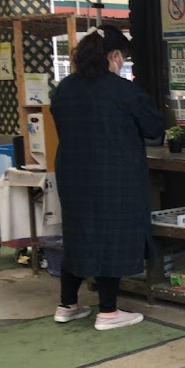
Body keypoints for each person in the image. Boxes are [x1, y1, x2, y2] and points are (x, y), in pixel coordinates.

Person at [49, 25, 164, 330]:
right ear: (114, 56)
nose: (122, 63)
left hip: (73, 172)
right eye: (122, 58)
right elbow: (154, 128)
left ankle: (67, 304)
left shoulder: (64, 89)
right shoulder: (121, 90)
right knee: (111, 235)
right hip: (115, 172)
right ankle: (109, 312)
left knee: (77, 233)